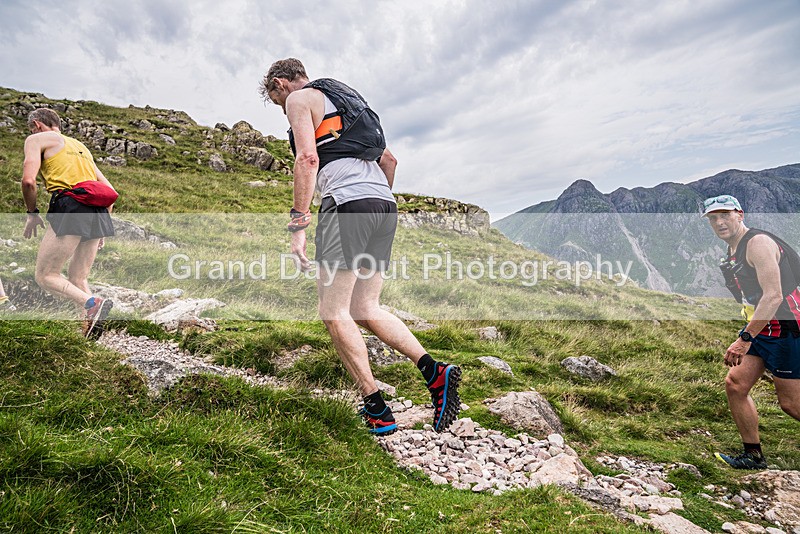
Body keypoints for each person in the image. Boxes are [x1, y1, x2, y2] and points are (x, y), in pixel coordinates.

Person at [260, 58, 461, 434]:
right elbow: (390, 159)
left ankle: (376, 408)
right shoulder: (347, 100)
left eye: (276, 101)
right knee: (366, 307)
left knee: (333, 312)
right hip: (383, 204)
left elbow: (307, 158)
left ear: (279, 84)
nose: (283, 111)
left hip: (348, 205)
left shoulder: (299, 99)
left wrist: (298, 223)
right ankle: (436, 374)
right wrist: (374, 203)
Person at [703, 195, 800, 469]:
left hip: (785, 328)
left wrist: (745, 339)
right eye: (713, 218)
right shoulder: (734, 248)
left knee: (792, 404)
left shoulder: (757, 244)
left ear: (740, 214)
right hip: (762, 327)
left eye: (725, 215)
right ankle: (753, 456)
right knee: (736, 384)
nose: (720, 222)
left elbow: (774, 296)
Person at [22, 107, 115, 338]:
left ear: (37, 124)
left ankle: (92, 302)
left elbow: (28, 182)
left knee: (46, 275)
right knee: (78, 278)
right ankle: (87, 332)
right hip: (98, 211)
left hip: (71, 206)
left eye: (31, 128)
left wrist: (32, 213)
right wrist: (100, 230)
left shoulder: (36, 139)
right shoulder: (80, 147)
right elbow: (111, 191)